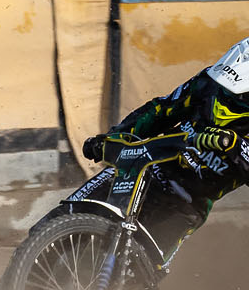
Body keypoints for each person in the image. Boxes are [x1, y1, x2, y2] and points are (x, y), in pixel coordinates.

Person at [74, 35, 249, 254]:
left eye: (236, 97)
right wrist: (116, 136)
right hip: (145, 167)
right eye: (223, 90)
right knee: (67, 214)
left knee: (140, 270)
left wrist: (234, 145)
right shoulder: (208, 83)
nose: (223, 98)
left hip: (186, 204)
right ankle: (25, 272)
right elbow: (163, 109)